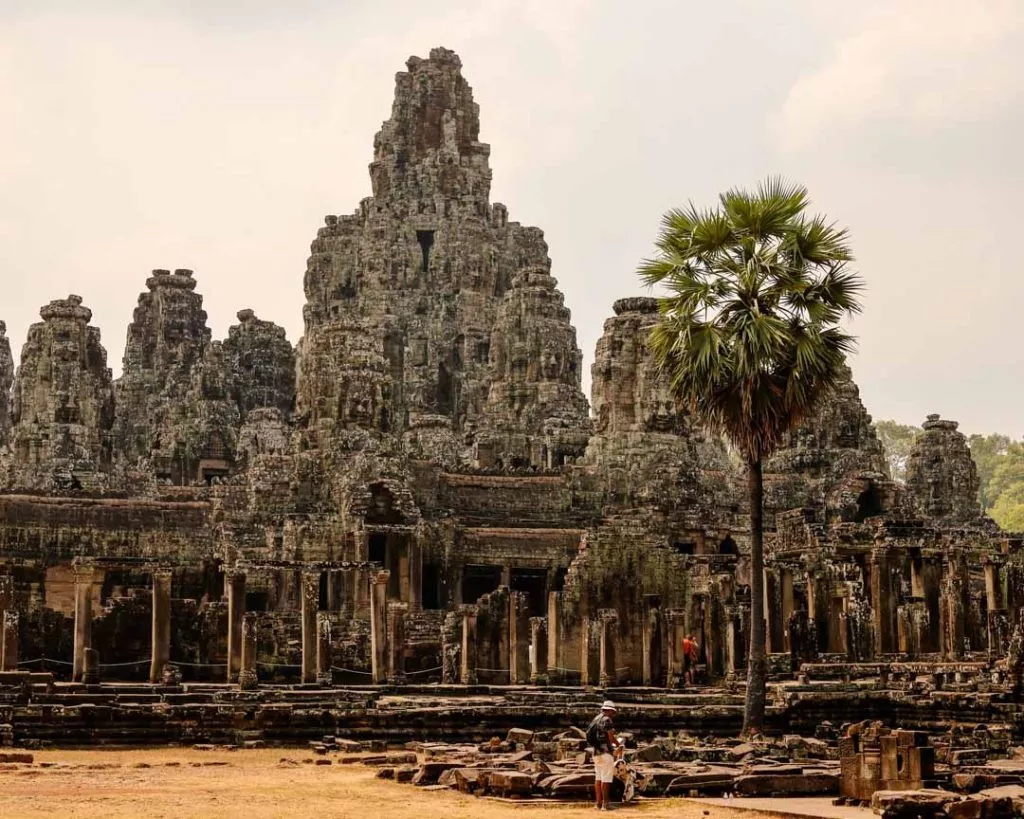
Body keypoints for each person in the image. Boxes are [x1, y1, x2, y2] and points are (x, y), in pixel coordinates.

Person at [586, 700, 622, 810]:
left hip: (596, 752)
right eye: (612, 712)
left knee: (598, 778)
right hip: (606, 753)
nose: (613, 715)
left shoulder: (596, 719)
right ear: (609, 710)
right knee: (606, 779)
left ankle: (598, 803)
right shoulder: (607, 720)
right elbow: (610, 737)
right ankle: (605, 804)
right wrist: (618, 744)